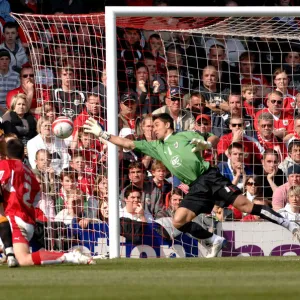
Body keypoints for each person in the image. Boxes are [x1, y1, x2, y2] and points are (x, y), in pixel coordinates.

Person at [84, 113, 300, 257]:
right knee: (178, 220)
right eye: (150, 126)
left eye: (156, 125)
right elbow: (128, 143)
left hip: (210, 177)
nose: (153, 129)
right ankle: (214, 239)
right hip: (195, 187)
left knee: (245, 206)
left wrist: (205, 143)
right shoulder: (156, 147)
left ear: (167, 125)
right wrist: (103, 134)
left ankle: (290, 225)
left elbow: (214, 139)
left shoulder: (184, 135)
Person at [0, 139, 95, 266]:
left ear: (6, 156)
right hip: (27, 219)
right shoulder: (29, 172)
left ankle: (69, 256)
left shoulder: (6, 165)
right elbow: (37, 197)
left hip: (15, 218)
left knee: (24, 259)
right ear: (23, 156)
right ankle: (9, 253)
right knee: (18, 256)